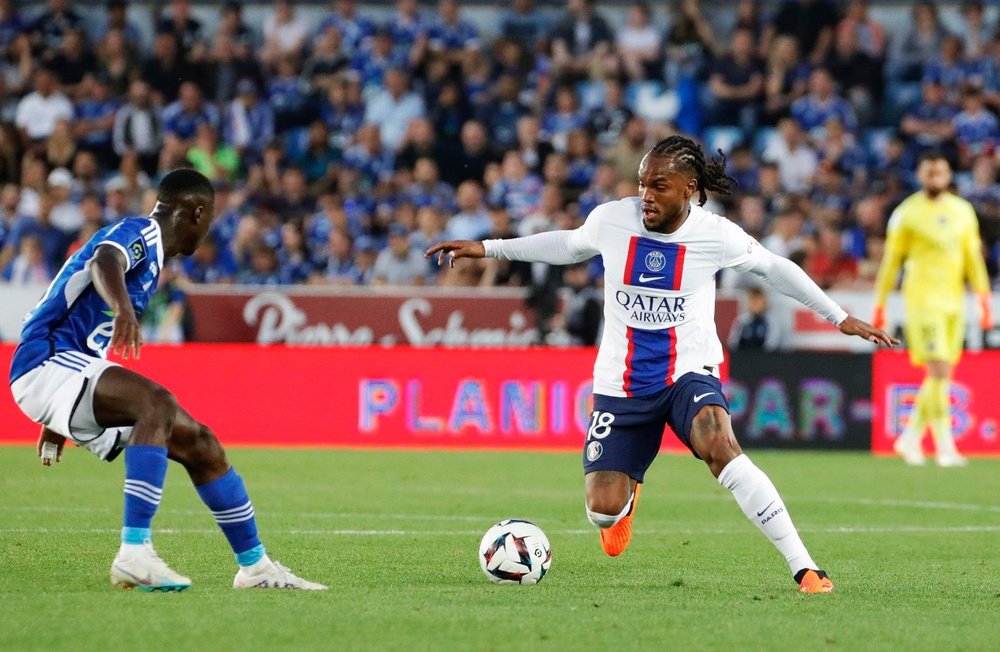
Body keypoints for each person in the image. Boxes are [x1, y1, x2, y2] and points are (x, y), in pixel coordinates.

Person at [427, 135, 896, 594]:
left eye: (659, 186)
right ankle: (627, 497)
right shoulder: (613, 220)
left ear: (690, 189)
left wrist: (839, 317)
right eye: (642, 184)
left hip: (686, 373)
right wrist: (489, 248)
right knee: (602, 511)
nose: (645, 196)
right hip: (621, 383)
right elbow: (567, 246)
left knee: (719, 443)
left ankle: (805, 569)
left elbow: (775, 269)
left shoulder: (714, 235)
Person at [8, 169, 325, 591]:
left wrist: (55, 423)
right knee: (156, 403)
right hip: (44, 361)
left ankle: (256, 568)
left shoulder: (154, 259)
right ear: (197, 213)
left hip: (67, 371)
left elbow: (87, 336)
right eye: (209, 220)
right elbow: (106, 259)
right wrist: (122, 308)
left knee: (202, 444)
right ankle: (134, 552)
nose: (207, 230)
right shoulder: (142, 231)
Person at [873, 151, 992, 467]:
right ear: (920, 175)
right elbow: (891, 262)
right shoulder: (906, 213)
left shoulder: (963, 211)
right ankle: (944, 445)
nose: (934, 178)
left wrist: (982, 297)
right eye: (929, 172)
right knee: (939, 370)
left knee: (942, 374)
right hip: (922, 301)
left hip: (954, 302)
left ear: (949, 175)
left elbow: (973, 257)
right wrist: (881, 302)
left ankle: (910, 436)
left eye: (940, 172)